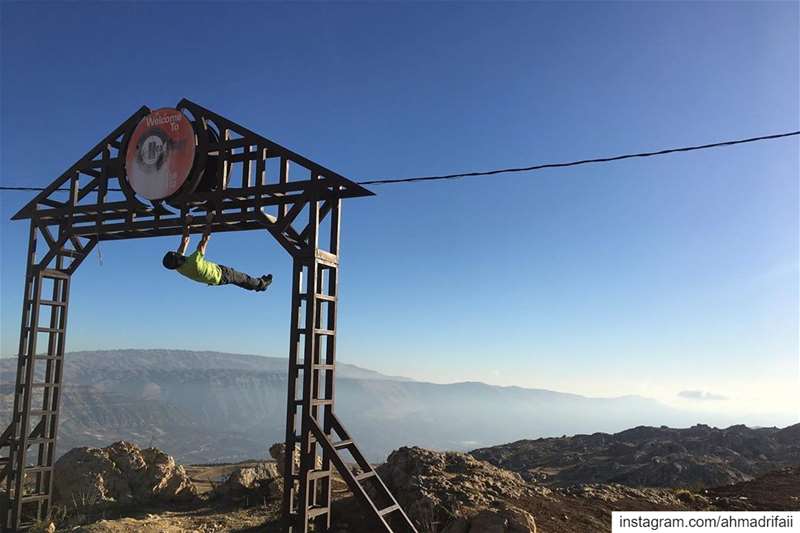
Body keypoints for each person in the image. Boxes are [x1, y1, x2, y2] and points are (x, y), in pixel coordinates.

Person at [162, 213, 272, 292]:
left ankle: (258, 284)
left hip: (215, 274)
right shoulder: (193, 263)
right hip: (221, 275)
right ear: (177, 259)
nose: (179, 253)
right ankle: (262, 285)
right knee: (242, 278)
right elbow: (204, 241)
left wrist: (187, 224)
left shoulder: (178, 267)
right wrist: (209, 221)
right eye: (177, 255)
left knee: (241, 279)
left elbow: (185, 241)